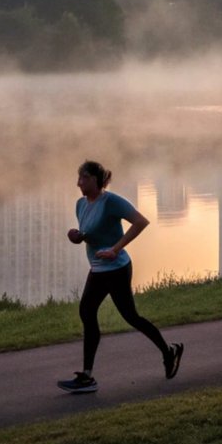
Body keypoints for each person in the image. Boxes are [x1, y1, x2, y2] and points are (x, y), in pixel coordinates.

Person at [57, 159, 183, 393]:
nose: (79, 183)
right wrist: (77, 236)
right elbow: (92, 233)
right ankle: (88, 376)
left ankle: (167, 352)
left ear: (96, 180)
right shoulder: (80, 205)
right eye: (78, 178)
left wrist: (115, 248)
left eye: (83, 178)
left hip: (116, 269)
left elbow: (140, 222)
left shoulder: (111, 201)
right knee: (97, 312)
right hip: (97, 268)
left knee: (121, 315)